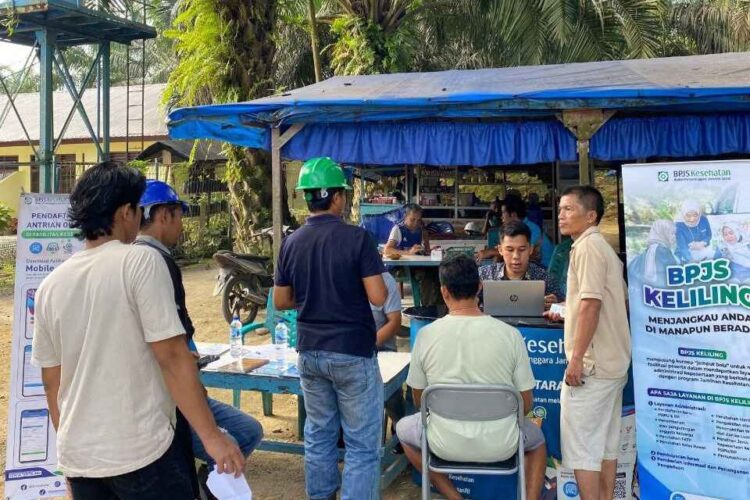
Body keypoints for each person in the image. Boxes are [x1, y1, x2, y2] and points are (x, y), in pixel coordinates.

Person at [31, 162, 244, 500]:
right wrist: (212, 437)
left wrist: (68, 458)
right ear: (125, 212)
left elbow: (51, 381)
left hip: (80, 457)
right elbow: (172, 357)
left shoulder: (50, 286)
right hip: (142, 451)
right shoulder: (140, 261)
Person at [136, 180, 263, 492]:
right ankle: (212, 484)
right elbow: (170, 345)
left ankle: (208, 481)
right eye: (179, 216)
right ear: (163, 215)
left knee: (246, 430)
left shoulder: (133, 258)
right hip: (168, 395)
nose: (182, 225)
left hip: (164, 387)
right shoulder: (155, 262)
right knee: (238, 435)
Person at [274, 157, 388, 500]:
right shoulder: (358, 238)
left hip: (309, 351)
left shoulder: (291, 242)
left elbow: (281, 300)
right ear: (337, 197)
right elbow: (379, 296)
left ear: (307, 196)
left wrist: (315, 294)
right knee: (361, 445)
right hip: (352, 351)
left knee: (319, 436)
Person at [395, 255, 547, 500]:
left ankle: (454, 497)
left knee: (403, 429)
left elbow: (419, 400)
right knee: (538, 441)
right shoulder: (510, 335)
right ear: (479, 287)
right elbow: (526, 404)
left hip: (442, 442)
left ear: (444, 292)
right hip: (502, 443)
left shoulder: (426, 336)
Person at [545, 185, 631, 500]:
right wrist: (567, 312)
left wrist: (577, 357)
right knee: (605, 448)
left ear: (591, 215)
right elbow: (609, 303)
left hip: (593, 367)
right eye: (560, 209)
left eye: (569, 209)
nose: (561, 215)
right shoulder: (602, 248)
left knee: (582, 451)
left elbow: (592, 305)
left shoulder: (587, 247)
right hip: (613, 363)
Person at [479, 221, 564, 309]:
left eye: (522, 249)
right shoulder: (484, 275)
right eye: (510, 250)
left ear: (530, 249)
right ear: (500, 250)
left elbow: (564, 307)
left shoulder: (545, 279)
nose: (516, 256)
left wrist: (556, 306)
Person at [371, 271, 406, 449]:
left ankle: (400, 429)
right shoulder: (339, 275)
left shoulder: (385, 280)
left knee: (390, 392)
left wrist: (367, 344)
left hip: (381, 348)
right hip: (347, 350)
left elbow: (394, 322)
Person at [385, 204, 442, 306]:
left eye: (419, 220)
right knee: (426, 275)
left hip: (416, 265)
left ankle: (436, 308)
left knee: (438, 272)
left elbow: (426, 251)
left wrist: (430, 250)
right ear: (405, 217)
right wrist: (408, 253)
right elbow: (387, 250)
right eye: (412, 219)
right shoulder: (398, 229)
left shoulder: (422, 231)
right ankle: (427, 307)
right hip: (400, 267)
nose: (416, 223)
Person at [627, 220, 677, 287]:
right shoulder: (662, 251)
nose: (674, 237)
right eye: (672, 233)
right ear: (663, 233)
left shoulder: (650, 250)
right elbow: (673, 273)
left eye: (675, 234)